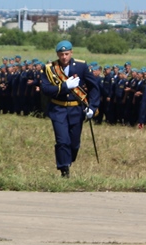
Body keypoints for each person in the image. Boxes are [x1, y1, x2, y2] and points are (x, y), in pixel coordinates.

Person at [38, 41, 101, 178]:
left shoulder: (81, 66)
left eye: (66, 54)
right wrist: (65, 86)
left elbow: (94, 87)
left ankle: (68, 160)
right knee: (62, 141)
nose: (64, 57)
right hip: (58, 109)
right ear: (57, 54)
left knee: (74, 143)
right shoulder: (49, 68)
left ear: (71, 53)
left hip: (76, 109)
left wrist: (92, 106)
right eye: (61, 54)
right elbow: (45, 89)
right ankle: (64, 168)